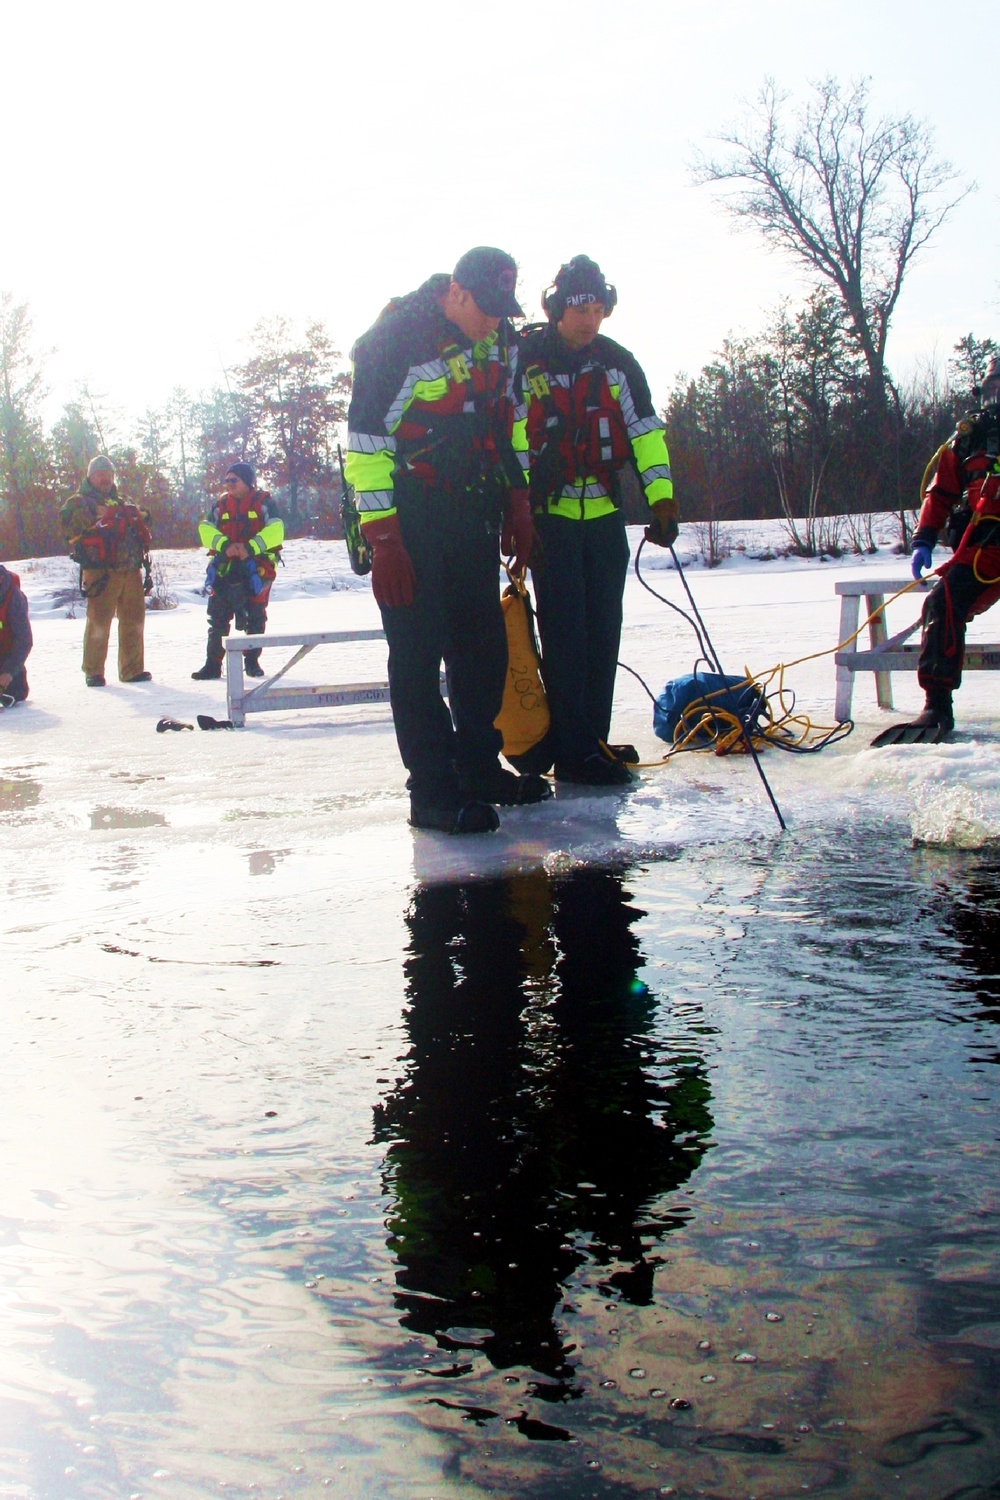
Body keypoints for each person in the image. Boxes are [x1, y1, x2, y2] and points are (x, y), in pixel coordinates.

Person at [344, 246, 550, 834]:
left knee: (481, 647)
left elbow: (508, 421)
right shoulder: (395, 340)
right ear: (456, 292)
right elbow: (365, 446)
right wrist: (383, 539)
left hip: (473, 514)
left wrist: (519, 499)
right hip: (409, 521)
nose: (494, 320)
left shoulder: (502, 341)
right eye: (486, 307)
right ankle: (432, 791)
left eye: (502, 309)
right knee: (415, 654)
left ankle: (480, 767)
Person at [512, 255, 679, 785]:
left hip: (605, 518)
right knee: (564, 636)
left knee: (603, 633)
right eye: (580, 307)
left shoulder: (616, 363)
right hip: (550, 523)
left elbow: (645, 432)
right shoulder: (526, 360)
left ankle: (590, 742)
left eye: (597, 307)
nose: (589, 318)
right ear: (558, 306)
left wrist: (663, 500)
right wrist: (516, 512)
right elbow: (510, 436)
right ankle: (572, 750)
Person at [910, 356, 1000, 735]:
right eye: (993, 391)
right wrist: (924, 539)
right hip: (982, 552)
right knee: (940, 603)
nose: (997, 401)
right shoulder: (967, 440)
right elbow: (940, 492)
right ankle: (937, 706)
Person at [59, 455, 152, 687]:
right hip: (100, 571)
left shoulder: (123, 499)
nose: (106, 479)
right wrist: (95, 514)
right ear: (90, 476)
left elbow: (147, 517)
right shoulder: (79, 501)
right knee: (99, 621)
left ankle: (132, 670)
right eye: (101, 474)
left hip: (131, 569)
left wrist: (138, 514)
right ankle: (93, 671)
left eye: (110, 475)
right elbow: (67, 524)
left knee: (134, 620)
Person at [192, 463, 284, 680]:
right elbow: (205, 529)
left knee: (255, 617)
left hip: (256, 569)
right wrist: (226, 546)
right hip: (226, 568)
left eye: (234, 480)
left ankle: (252, 663)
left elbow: (276, 530)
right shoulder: (220, 505)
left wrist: (249, 548)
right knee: (217, 618)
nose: (229, 484)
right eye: (227, 481)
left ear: (247, 481)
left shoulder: (265, 503)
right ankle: (212, 665)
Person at [0, 564, 32, 706]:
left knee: (16, 691)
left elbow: (24, 640)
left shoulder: (13, 597)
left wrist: (8, 671)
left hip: (6, 657)